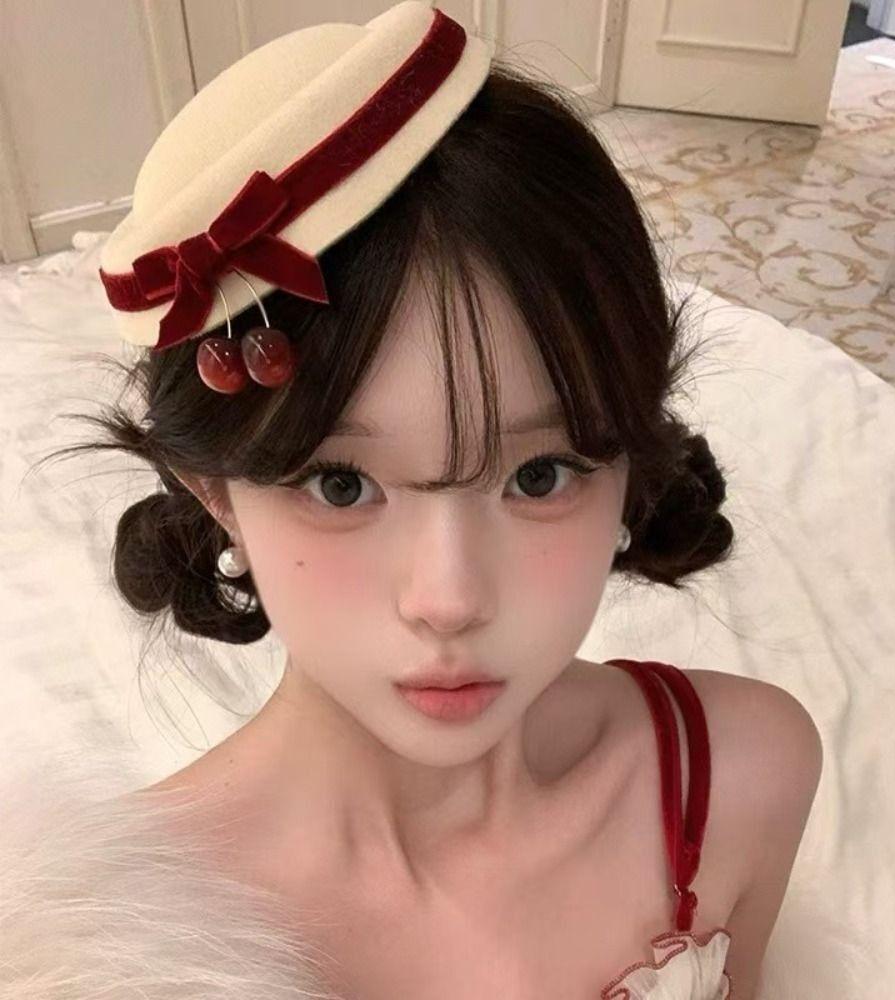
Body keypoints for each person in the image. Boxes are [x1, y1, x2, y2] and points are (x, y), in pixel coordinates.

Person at [11, 3, 822, 998]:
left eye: (538, 474)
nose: (450, 599)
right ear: (214, 492)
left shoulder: (744, 775)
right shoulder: (112, 954)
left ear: (628, 466)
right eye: (341, 484)